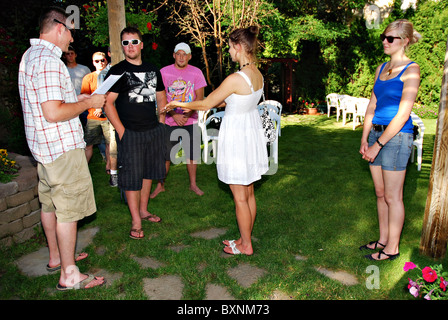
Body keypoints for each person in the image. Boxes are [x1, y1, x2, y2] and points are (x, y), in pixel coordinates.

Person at [18, 6, 106, 289]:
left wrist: (75, 96)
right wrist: (89, 103)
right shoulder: (48, 61)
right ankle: (69, 274)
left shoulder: (30, 56)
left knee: (49, 204)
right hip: (61, 148)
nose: (71, 38)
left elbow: (47, 101)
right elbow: (54, 112)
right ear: (58, 27)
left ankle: (56, 257)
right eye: (70, 30)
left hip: (43, 150)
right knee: (68, 211)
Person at [164, 26, 269, 255]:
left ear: (239, 47)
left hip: (237, 139)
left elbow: (206, 103)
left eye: (231, 48)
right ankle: (244, 239)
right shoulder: (257, 74)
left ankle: (246, 246)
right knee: (248, 192)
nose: (230, 52)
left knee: (240, 197)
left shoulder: (236, 78)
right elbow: (232, 101)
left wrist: (177, 104)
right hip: (249, 135)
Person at [359, 19, 421, 261]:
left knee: (393, 196)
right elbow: (372, 105)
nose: (385, 41)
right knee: (380, 192)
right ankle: (383, 239)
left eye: (391, 38)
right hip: (375, 133)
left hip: (396, 137)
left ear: (404, 41)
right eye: (384, 37)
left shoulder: (412, 69)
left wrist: (378, 144)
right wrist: (365, 138)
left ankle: (392, 248)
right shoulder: (381, 68)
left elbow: (403, 113)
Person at [104, 27, 167, 240]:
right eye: (125, 43)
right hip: (129, 133)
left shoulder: (153, 69)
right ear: (122, 47)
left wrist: (160, 123)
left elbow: (161, 98)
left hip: (152, 131)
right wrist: (121, 132)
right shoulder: (116, 71)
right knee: (132, 177)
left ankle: (144, 210)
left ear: (141, 44)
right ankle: (136, 221)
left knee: (148, 172)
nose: (130, 46)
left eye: (134, 41)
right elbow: (107, 103)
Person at [150, 42, 207, 199]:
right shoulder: (163, 72)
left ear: (189, 56)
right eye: (178, 53)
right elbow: (160, 97)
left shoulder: (196, 72)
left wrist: (188, 115)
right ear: (174, 55)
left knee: (192, 154)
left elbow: (200, 97)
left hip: (191, 120)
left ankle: (193, 184)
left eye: (185, 54)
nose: (181, 57)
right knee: (165, 155)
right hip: (169, 121)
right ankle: (160, 186)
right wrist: (174, 114)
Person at [80, 52, 117, 186]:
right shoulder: (88, 78)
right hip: (92, 117)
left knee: (110, 144)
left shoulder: (111, 76)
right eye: (97, 61)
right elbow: (84, 96)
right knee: (88, 144)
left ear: (106, 61)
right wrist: (95, 107)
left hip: (108, 117)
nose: (100, 63)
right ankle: (83, 171)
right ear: (93, 62)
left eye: (102, 60)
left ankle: (110, 168)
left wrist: (101, 107)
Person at [65, 46, 91, 126]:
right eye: (68, 54)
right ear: (64, 56)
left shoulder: (84, 69)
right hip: (69, 103)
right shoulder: (63, 70)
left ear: (75, 55)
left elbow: (91, 84)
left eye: (72, 53)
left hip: (83, 103)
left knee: (87, 127)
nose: (70, 56)